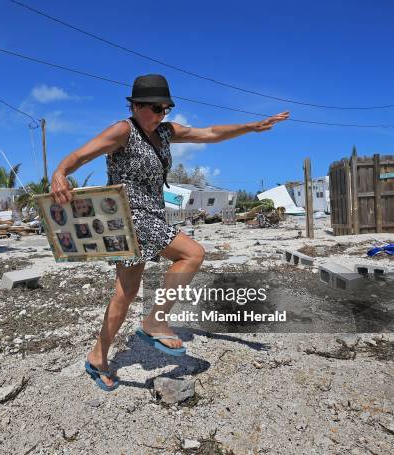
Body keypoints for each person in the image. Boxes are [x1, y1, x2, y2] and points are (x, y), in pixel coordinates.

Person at [51, 74, 289, 391]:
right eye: (155, 108)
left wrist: (251, 126)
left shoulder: (165, 133)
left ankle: (97, 356)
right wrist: (60, 172)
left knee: (125, 293)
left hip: (151, 216)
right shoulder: (123, 130)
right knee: (193, 253)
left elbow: (210, 133)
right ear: (135, 105)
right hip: (130, 217)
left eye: (166, 108)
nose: (161, 114)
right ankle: (154, 320)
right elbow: (80, 155)